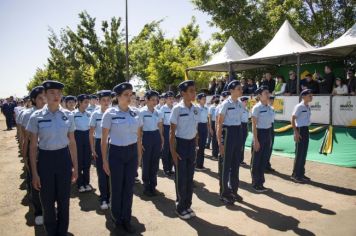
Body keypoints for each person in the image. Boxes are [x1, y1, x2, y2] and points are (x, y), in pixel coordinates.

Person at [26, 80, 78, 236]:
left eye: (58, 93)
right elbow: (33, 146)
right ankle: (51, 231)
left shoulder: (68, 115)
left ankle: (62, 231)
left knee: (64, 200)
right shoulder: (36, 116)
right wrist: (34, 173)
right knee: (47, 201)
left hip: (63, 159)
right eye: (52, 93)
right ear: (45, 95)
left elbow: (72, 143)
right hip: (46, 160)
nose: (56, 96)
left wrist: (75, 166)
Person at [101, 82, 141, 233]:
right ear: (117, 97)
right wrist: (104, 160)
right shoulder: (109, 113)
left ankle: (127, 219)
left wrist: (139, 157)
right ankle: (117, 220)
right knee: (117, 188)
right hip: (116, 153)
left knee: (128, 188)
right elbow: (104, 139)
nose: (129, 97)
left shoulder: (136, 113)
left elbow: (138, 137)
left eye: (131, 94)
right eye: (126, 95)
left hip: (131, 154)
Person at [170, 80, 199, 220]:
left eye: (194, 90)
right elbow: (172, 132)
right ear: (183, 93)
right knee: (181, 177)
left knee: (190, 177)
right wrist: (173, 152)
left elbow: (196, 129)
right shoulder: (177, 109)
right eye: (191, 91)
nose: (194, 93)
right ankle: (180, 207)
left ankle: (187, 205)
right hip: (180, 145)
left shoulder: (195, 109)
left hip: (191, 145)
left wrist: (197, 145)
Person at [21, 86, 46, 226]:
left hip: (49, 154)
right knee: (36, 184)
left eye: (45, 97)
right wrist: (25, 159)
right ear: (33, 100)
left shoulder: (53, 112)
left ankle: (47, 208)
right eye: (40, 98)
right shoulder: (28, 115)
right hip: (34, 153)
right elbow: (27, 139)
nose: (44, 100)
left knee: (47, 184)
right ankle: (38, 211)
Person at [217, 80, 244, 204]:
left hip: (238, 132)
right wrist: (220, 143)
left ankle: (234, 191)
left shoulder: (239, 103)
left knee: (235, 163)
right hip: (228, 133)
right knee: (226, 165)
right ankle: (224, 193)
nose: (241, 90)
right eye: (238, 88)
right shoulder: (225, 104)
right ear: (232, 90)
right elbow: (219, 123)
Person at [89, 90, 112, 210]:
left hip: (113, 144)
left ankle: (112, 197)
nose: (106, 102)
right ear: (99, 101)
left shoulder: (114, 113)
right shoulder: (95, 114)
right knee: (102, 172)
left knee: (112, 172)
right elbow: (91, 132)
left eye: (108, 100)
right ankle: (104, 197)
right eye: (103, 100)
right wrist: (92, 148)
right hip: (99, 143)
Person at [139, 90, 164, 196]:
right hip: (146, 137)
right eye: (152, 99)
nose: (155, 102)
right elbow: (139, 128)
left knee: (155, 162)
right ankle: (146, 185)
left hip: (156, 137)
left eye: (156, 100)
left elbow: (160, 126)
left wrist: (161, 138)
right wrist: (139, 141)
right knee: (146, 162)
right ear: (147, 100)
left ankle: (153, 185)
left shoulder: (158, 112)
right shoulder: (141, 112)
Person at [250, 86, 274, 192]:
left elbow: (270, 123)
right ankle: (255, 183)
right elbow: (254, 126)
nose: (268, 94)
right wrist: (255, 140)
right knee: (256, 160)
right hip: (259, 133)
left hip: (267, 133)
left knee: (264, 159)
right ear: (260, 95)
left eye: (268, 92)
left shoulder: (270, 108)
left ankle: (261, 182)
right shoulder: (256, 108)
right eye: (265, 93)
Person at [291, 89, 313, 183]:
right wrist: (296, 132)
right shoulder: (299, 106)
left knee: (304, 153)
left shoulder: (308, 106)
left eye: (311, 95)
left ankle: (301, 173)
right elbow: (292, 119)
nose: (311, 96)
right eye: (309, 95)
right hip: (299, 129)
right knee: (299, 153)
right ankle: (295, 175)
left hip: (305, 130)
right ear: (303, 96)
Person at [73, 94, 92, 193]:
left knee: (87, 162)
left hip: (87, 137)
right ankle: (80, 184)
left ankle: (86, 183)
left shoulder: (89, 114)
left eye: (88, 102)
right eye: (85, 102)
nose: (87, 104)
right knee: (79, 162)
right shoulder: (73, 114)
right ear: (79, 102)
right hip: (77, 137)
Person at [160, 91, 175, 176]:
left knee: (172, 149)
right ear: (165, 99)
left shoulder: (175, 107)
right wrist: (161, 133)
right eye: (169, 98)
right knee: (165, 150)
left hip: (173, 129)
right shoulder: (163, 109)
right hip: (166, 128)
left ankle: (170, 167)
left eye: (172, 98)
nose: (171, 100)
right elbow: (161, 122)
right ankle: (166, 169)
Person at [196, 93, 209, 170]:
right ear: (199, 100)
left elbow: (206, 120)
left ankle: (201, 164)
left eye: (205, 99)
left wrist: (207, 128)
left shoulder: (206, 108)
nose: (204, 100)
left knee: (203, 147)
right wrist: (196, 131)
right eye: (203, 99)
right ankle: (197, 164)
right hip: (199, 127)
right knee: (198, 146)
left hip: (204, 127)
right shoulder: (196, 108)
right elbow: (196, 121)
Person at [265, 95, 276, 173]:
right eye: (270, 99)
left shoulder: (272, 108)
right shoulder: (265, 108)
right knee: (266, 147)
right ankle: (264, 165)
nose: (272, 101)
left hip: (271, 126)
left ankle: (267, 164)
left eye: (273, 100)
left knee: (270, 146)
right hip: (267, 126)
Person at [208, 95, 220, 160]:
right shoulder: (211, 107)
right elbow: (209, 117)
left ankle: (218, 153)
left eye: (218, 98)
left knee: (219, 138)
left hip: (219, 122)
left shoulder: (220, 106)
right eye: (216, 98)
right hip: (213, 122)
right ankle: (214, 154)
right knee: (214, 139)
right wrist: (210, 127)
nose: (217, 99)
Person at [240, 96, 249, 166]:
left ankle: (241, 159)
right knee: (240, 144)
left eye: (247, 102)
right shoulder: (239, 109)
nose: (246, 103)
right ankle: (239, 159)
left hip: (245, 126)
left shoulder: (246, 109)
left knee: (243, 144)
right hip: (240, 126)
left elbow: (247, 120)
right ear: (241, 102)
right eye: (245, 101)